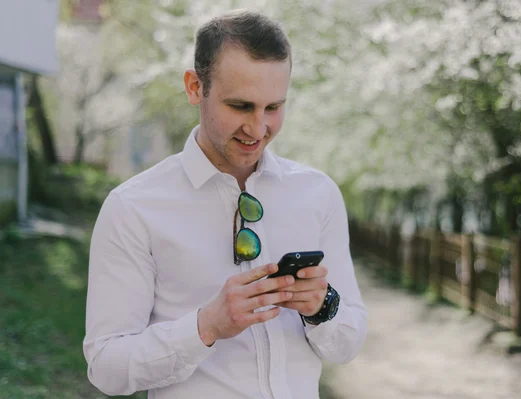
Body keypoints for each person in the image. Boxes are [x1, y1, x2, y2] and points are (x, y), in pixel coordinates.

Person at [83, 9, 367, 399]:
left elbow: (349, 343)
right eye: (240, 106)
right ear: (194, 87)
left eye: (273, 107)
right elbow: (106, 368)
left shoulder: (318, 193)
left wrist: (323, 306)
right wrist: (206, 327)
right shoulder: (132, 208)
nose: (257, 128)